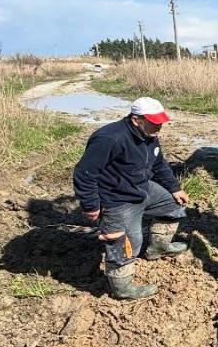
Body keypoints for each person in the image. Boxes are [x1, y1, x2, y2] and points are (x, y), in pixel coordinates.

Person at [72, 97, 190, 300]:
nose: (159, 127)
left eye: (161, 122)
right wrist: (91, 205)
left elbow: (159, 164)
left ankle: (158, 248)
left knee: (173, 206)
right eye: (154, 122)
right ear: (136, 119)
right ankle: (122, 289)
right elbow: (85, 173)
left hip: (142, 188)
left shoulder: (149, 135)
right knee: (126, 243)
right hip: (117, 199)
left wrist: (174, 188)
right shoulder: (109, 139)